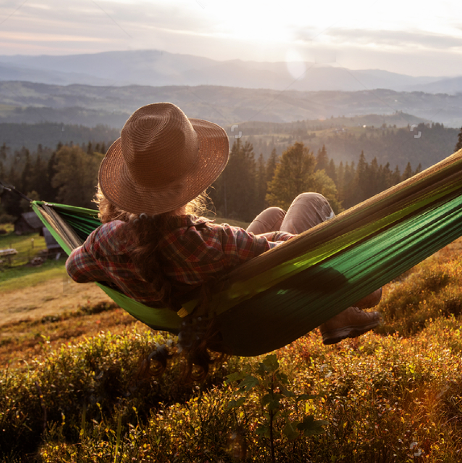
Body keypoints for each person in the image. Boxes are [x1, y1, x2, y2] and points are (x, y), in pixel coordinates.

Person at [66, 102, 382, 378]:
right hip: (248, 315)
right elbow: (295, 264)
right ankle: (335, 314)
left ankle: (335, 313)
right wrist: (355, 280)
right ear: (192, 178)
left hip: (211, 315)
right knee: (309, 201)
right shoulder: (212, 243)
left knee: (273, 212)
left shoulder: (104, 243)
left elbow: (74, 268)